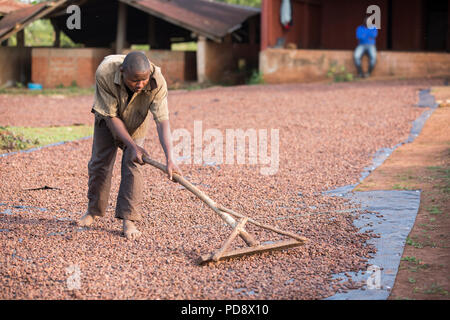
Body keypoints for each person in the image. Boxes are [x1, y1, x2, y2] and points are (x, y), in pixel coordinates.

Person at [78, 51, 182, 240]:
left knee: (133, 165)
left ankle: (129, 220)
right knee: (99, 164)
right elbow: (111, 116)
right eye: (135, 80)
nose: (140, 84)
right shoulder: (105, 72)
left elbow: (162, 120)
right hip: (108, 118)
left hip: (137, 120)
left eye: (143, 80)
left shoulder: (157, 80)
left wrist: (170, 158)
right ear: (122, 71)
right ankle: (93, 211)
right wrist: (131, 145)